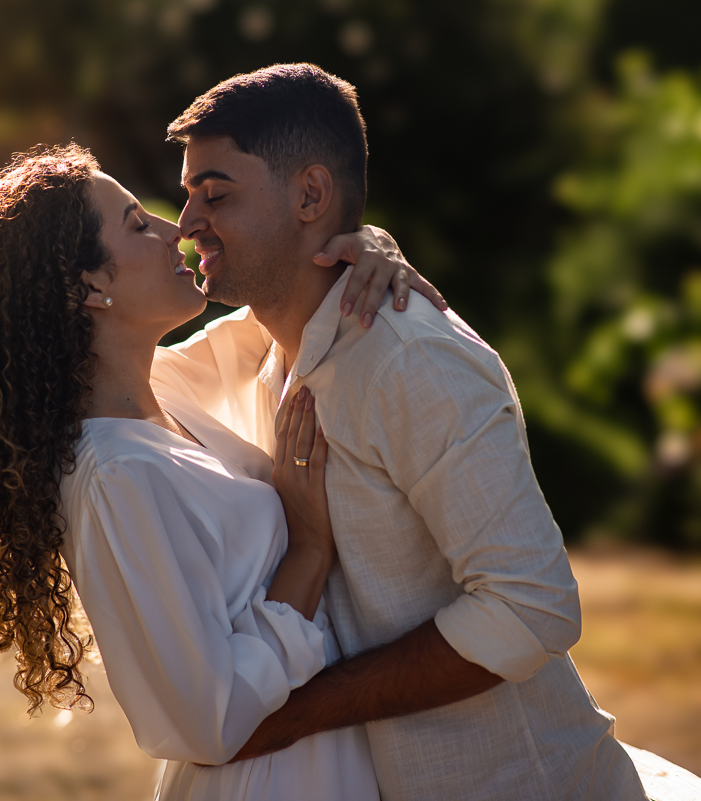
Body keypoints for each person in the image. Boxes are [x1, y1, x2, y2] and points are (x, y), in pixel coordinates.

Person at [157, 63, 648, 800]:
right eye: (188, 195)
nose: (188, 222)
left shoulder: (413, 362)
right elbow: (117, 370)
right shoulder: (257, 347)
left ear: (311, 195)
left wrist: (302, 713)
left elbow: (532, 604)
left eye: (216, 194)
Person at [0, 143, 444, 801]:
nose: (177, 230)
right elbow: (207, 719)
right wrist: (309, 550)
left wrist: (368, 247)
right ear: (89, 285)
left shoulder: (163, 390)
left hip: (326, 763)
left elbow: (291, 310)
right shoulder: (116, 478)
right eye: (138, 224)